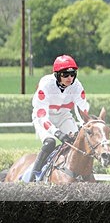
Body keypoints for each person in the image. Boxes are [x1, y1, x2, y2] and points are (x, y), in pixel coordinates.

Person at [27, 54, 90, 182]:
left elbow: (83, 109)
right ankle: (33, 178)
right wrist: (56, 132)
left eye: (72, 74)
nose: (70, 78)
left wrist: (86, 124)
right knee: (50, 142)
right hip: (44, 118)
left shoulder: (77, 85)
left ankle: (81, 174)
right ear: (56, 75)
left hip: (63, 116)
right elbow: (42, 115)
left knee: (77, 141)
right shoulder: (46, 84)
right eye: (65, 75)